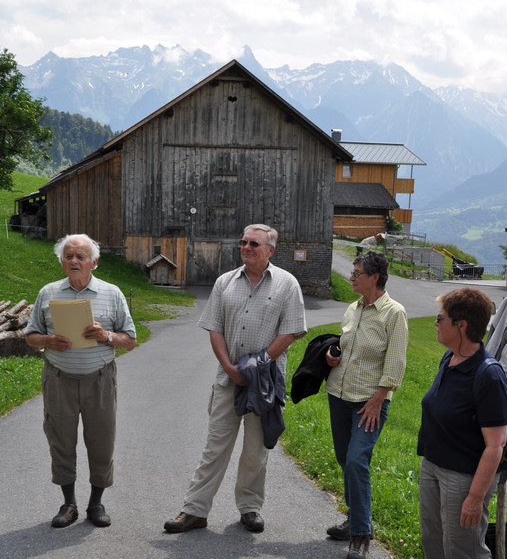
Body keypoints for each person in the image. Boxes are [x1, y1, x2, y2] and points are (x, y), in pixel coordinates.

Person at [163, 224, 307, 534]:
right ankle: (195, 510)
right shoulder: (224, 282)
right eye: (243, 242)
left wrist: (258, 364)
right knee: (215, 446)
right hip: (228, 379)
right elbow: (214, 327)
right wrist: (230, 367)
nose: (246, 247)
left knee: (256, 450)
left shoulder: (287, 284)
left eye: (254, 243)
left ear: (270, 250)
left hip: (264, 382)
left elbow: (291, 332)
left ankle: (250, 508)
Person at [406, 288, 507, 559]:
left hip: (465, 476)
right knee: (438, 536)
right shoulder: (449, 359)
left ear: (461, 325)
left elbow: (495, 445)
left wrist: (475, 497)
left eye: (441, 319)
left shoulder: (488, 375)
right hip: (434, 465)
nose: (436, 324)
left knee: (465, 544)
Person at [25, 234, 136, 528]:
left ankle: (96, 503)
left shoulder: (112, 293)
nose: (74, 261)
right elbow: (31, 336)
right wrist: (48, 340)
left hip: (99, 379)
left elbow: (130, 340)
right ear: (62, 262)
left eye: (80, 256)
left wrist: (106, 335)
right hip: (58, 378)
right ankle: (69, 504)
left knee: (102, 441)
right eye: (69, 256)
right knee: (60, 440)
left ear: (94, 262)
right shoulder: (48, 293)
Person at [325, 250, 408, 559]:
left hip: (369, 403)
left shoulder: (394, 313)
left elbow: (396, 362)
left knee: (357, 461)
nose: (351, 277)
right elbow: (346, 348)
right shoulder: (352, 308)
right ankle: (354, 519)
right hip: (339, 395)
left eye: (356, 273)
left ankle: (361, 535)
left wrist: (379, 399)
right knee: (344, 459)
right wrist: (332, 357)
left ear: (374, 277)